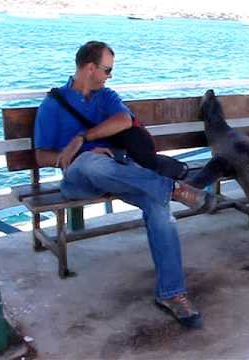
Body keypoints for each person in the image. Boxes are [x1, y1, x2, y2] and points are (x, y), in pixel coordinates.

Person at [34, 40, 215, 329]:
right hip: (79, 179)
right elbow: (41, 155)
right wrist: (70, 154)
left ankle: (171, 294)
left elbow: (124, 120)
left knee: (158, 208)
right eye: (107, 70)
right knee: (90, 162)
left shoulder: (105, 97)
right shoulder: (52, 104)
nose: (110, 76)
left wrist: (83, 138)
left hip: (118, 173)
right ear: (90, 68)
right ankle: (172, 188)